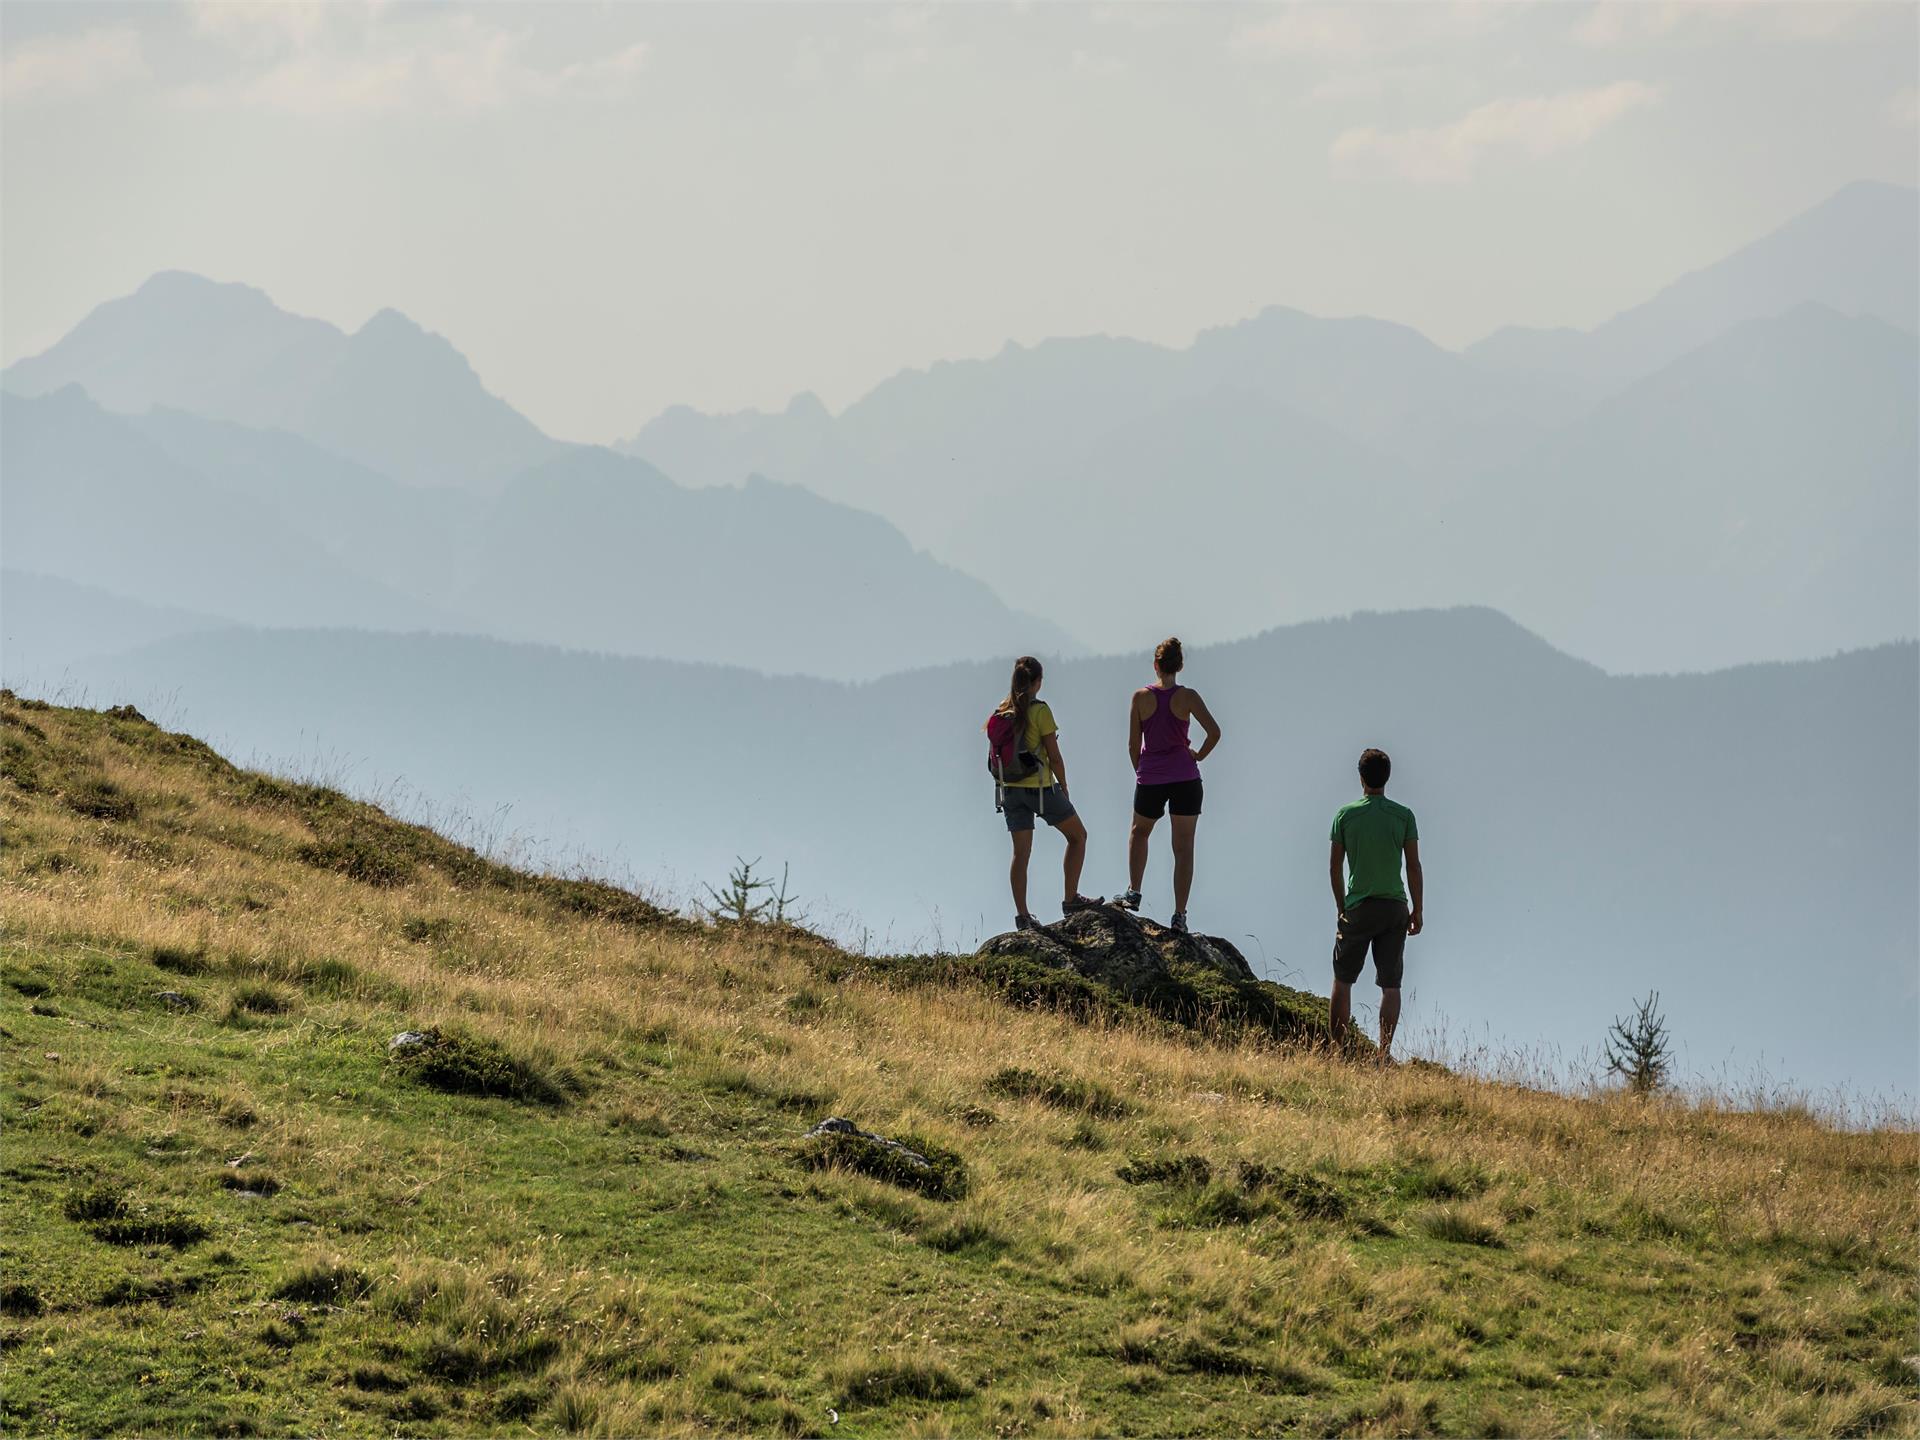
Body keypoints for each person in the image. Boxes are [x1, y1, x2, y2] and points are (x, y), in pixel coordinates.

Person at [1114, 637, 1221, 934]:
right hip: (1186, 777)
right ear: (1180, 665)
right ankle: (1179, 915)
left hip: (1151, 777)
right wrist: (1197, 755)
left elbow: (1133, 743)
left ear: (1156, 665)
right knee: (1184, 849)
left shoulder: (1140, 697)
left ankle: (1134, 892)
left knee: (1139, 833)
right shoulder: (1188, 697)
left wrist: (1142, 771)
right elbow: (1214, 732)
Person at [987, 656, 1102, 930]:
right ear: (1037, 682)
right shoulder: (1040, 711)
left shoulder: (1000, 712)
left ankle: (1022, 916)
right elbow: (1055, 756)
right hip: (1040, 788)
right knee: (1078, 836)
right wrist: (1063, 786)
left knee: (1021, 854)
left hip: (1010, 790)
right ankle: (1071, 899)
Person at [1328, 747, 1422, 1060]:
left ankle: (1338, 1052)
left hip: (1359, 905)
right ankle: (1383, 1054)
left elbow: (1334, 867)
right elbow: (1413, 866)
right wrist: (1417, 908)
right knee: (1391, 984)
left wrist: (1342, 906)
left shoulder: (1345, 815)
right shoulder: (1403, 816)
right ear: (1388, 777)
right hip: (1394, 906)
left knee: (1343, 981)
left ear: (1360, 777)